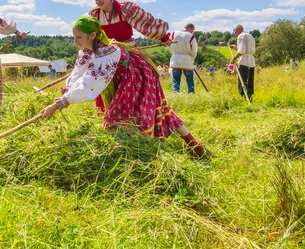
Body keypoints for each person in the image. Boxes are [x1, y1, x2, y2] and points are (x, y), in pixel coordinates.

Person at [40, 16, 206, 158]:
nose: (75, 41)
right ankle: (193, 144)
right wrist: (69, 88)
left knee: (124, 118)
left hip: (138, 76)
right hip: (125, 77)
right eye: (74, 37)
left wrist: (59, 104)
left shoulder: (105, 53)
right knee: (151, 110)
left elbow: (89, 84)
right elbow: (79, 72)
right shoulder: (87, 50)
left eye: (79, 37)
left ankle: (145, 153)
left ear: (92, 35)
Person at [89, 0, 171, 112]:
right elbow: (90, 35)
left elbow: (146, 21)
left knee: (143, 75)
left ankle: (136, 111)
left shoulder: (125, 9)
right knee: (102, 80)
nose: (98, 2)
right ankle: (107, 113)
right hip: (107, 53)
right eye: (96, 0)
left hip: (128, 50)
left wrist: (163, 36)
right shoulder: (95, 14)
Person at [168, 23, 198, 94]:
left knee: (176, 79)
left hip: (175, 59)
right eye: (192, 30)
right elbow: (194, 50)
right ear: (189, 28)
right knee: (190, 79)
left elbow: (168, 45)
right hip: (186, 60)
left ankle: (176, 94)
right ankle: (191, 94)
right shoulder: (191, 36)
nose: (192, 32)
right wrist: (192, 59)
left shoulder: (174, 33)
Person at [230, 24, 256, 101]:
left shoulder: (241, 36)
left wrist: (234, 58)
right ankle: (250, 98)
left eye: (234, 30)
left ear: (237, 30)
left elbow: (242, 50)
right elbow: (246, 49)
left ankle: (244, 99)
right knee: (249, 81)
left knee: (243, 81)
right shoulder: (249, 35)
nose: (233, 32)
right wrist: (236, 48)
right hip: (251, 61)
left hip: (244, 61)